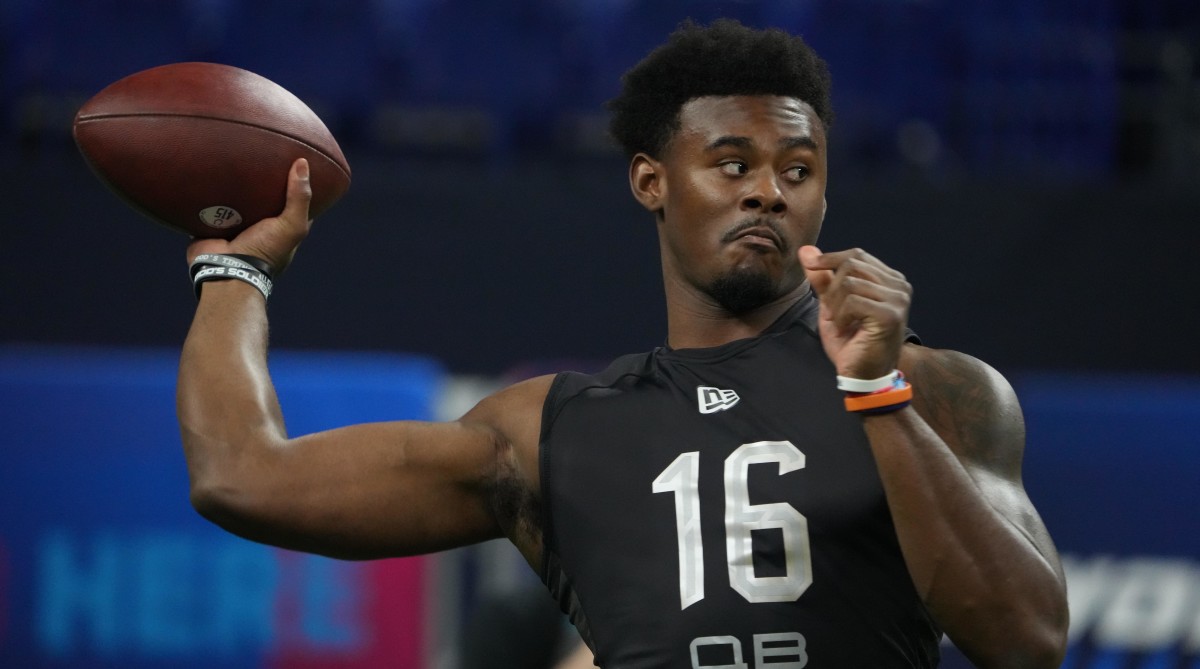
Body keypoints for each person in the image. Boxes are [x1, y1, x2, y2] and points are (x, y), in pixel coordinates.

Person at [176, 19, 1069, 668]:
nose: (768, 191)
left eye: (797, 171)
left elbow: (1026, 641)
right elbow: (242, 476)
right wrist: (236, 276)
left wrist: (878, 395)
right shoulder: (552, 431)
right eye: (732, 163)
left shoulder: (934, 387)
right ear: (651, 180)